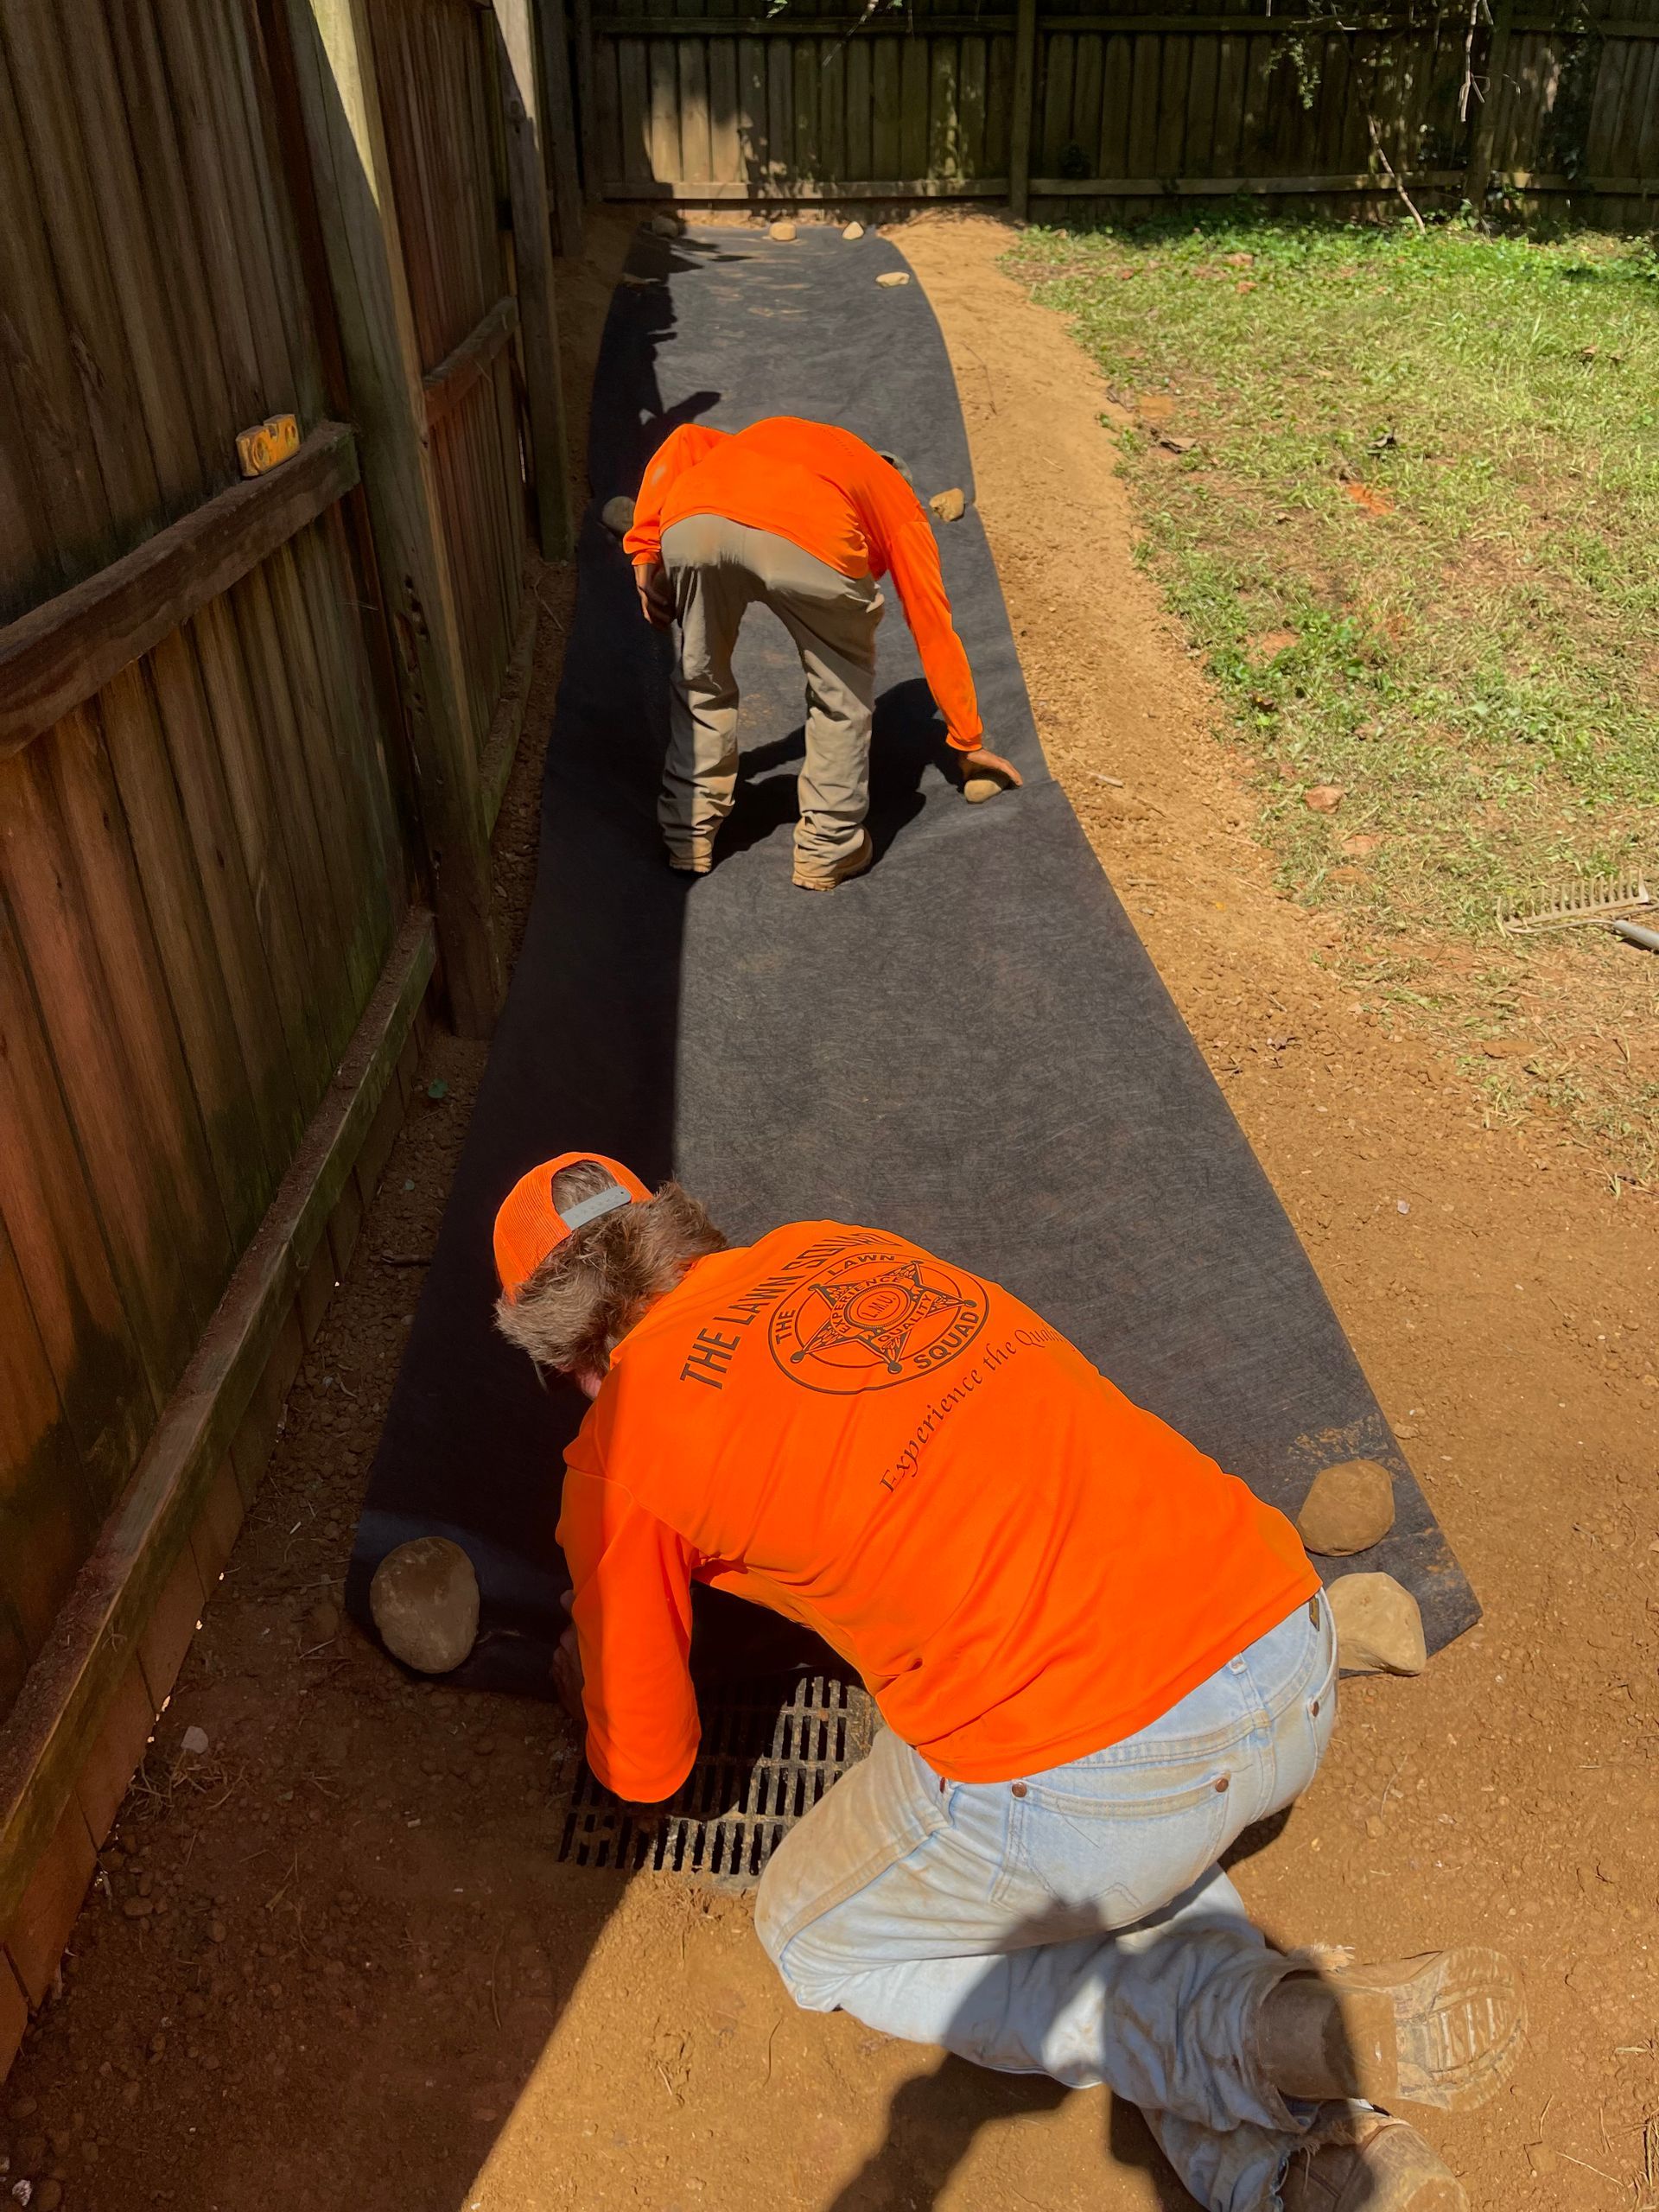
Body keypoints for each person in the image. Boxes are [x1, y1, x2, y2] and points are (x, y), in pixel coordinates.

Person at [493, 1152, 1522, 2212]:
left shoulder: (621, 1452)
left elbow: (650, 1768)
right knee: (1107, 1873)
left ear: (570, 1354)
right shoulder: (840, 1249)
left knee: (807, 1936)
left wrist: (596, 1680)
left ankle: (1237, 2025)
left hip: (1095, 1772)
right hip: (1283, 1642)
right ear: (674, 1234)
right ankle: (1313, 2167)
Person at [618, 416, 1022, 890]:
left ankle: (687, 833)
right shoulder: (896, 500)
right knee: (841, 697)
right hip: (813, 535)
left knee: (700, 678)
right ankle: (829, 848)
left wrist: (646, 550)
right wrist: (968, 740)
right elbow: (932, 624)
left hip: (697, 516)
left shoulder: (780, 442)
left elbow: (684, 440)